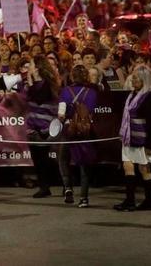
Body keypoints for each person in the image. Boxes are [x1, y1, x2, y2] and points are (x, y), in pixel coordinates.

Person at [114, 66, 151, 212]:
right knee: (127, 166)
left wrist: (150, 144)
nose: (133, 80)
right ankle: (130, 200)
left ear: (144, 80)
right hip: (129, 138)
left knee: (144, 169)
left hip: (141, 139)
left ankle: (149, 200)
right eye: (132, 77)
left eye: (136, 78)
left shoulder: (150, 97)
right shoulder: (132, 95)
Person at [57, 65, 97, 207]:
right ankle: (84, 198)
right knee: (84, 165)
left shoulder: (65, 91)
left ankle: (68, 188)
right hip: (85, 130)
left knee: (63, 159)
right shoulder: (92, 93)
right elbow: (92, 113)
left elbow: (61, 115)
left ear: (72, 76)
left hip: (69, 129)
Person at [24, 56, 59, 198]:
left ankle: (48, 185)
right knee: (37, 158)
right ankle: (43, 186)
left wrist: (31, 81)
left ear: (37, 67)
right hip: (33, 126)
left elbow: (38, 97)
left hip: (44, 126)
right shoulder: (31, 85)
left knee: (44, 158)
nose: (28, 68)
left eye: (31, 65)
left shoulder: (47, 84)